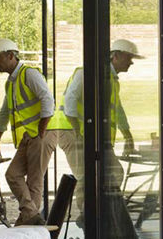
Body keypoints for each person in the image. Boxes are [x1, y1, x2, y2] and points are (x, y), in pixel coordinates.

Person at [44, 39, 142, 213]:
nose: (132, 62)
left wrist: (127, 135)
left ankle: (101, 214)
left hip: (92, 135)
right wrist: (78, 131)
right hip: (71, 130)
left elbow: (117, 109)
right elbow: (70, 101)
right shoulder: (87, 72)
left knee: (114, 173)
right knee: (85, 177)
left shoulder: (110, 78)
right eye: (129, 57)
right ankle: (87, 219)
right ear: (116, 56)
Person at [0, 39, 55, 226]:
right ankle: (30, 216)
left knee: (34, 182)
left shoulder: (29, 74)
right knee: (13, 174)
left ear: (11, 56)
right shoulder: (11, 83)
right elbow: (4, 112)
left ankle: (25, 225)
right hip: (31, 135)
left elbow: (48, 99)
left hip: (43, 133)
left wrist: (41, 130)